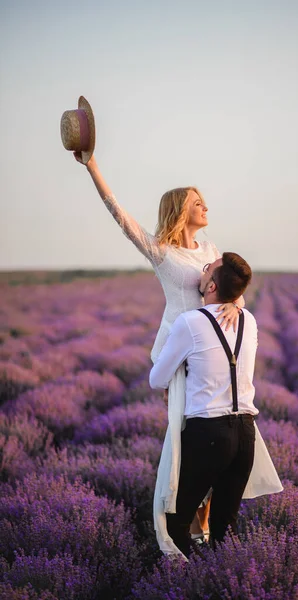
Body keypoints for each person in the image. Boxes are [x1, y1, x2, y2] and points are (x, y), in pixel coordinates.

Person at [72, 152, 283, 557]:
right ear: (180, 211)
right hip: (182, 356)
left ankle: (202, 525)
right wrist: (93, 165)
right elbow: (119, 214)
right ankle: (190, 526)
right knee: (186, 440)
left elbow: (230, 285)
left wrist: (237, 306)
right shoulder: (163, 252)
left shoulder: (210, 249)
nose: (205, 206)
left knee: (216, 426)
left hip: (215, 351)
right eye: (197, 202)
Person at [150, 253, 283, 558]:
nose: (203, 267)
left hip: (208, 433)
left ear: (210, 285)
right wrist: (236, 301)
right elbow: (236, 298)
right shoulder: (248, 320)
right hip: (245, 433)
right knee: (226, 527)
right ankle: (222, 581)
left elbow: (157, 379)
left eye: (208, 268)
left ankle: (186, 584)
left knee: (176, 522)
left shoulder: (190, 322)